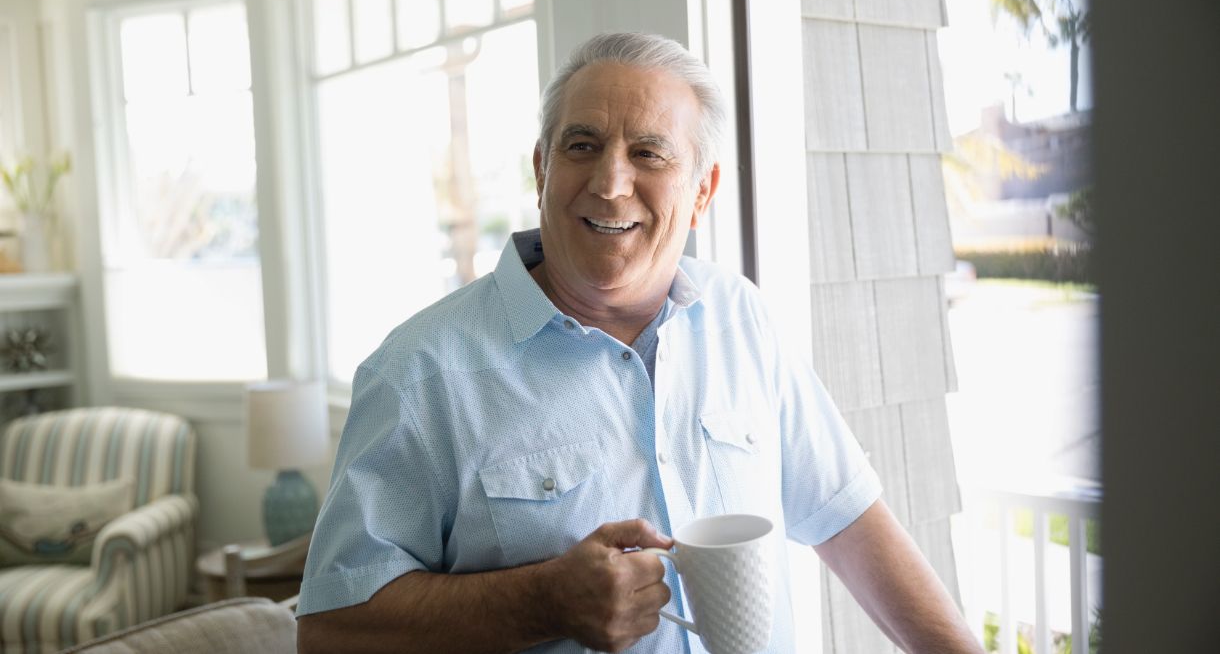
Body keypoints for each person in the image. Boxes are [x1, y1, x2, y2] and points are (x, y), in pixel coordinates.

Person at [296, 32, 982, 654]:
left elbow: (852, 521)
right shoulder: (418, 373)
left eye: (648, 152)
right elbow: (330, 631)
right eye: (582, 145)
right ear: (541, 169)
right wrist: (543, 600)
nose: (610, 182)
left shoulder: (741, 318)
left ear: (703, 188)